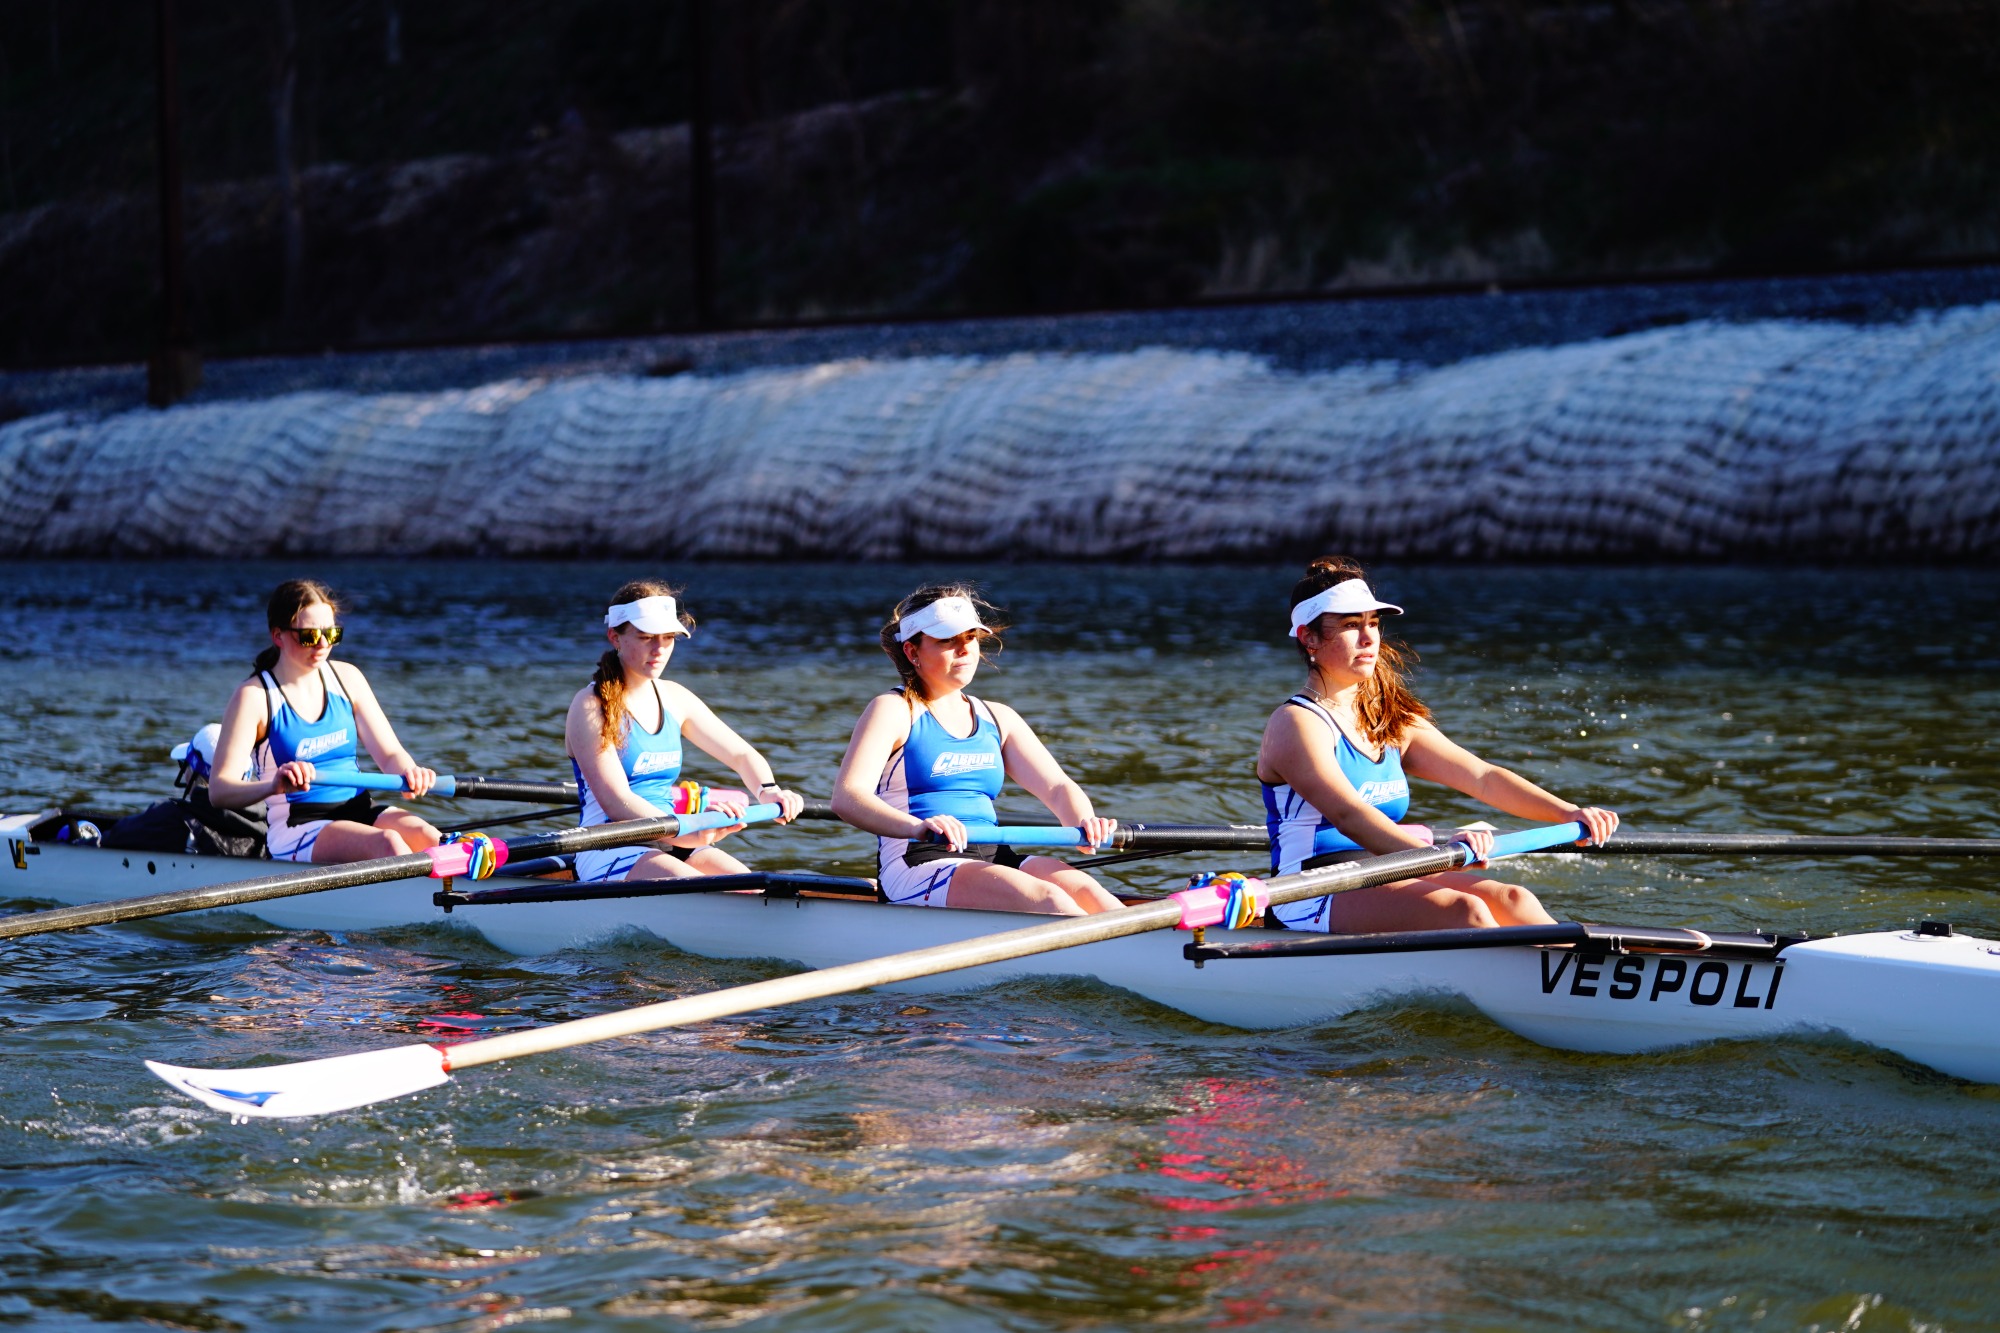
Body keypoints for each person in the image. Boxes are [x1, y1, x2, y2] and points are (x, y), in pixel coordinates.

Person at [1256, 557, 1619, 932]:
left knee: (1514, 899)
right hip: (1308, 891)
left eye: (1373, 624)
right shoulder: (1297, 723)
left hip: (1386, 869)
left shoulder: (1388, 718)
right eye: (1351, 625)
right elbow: (1350, 817)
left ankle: (1578, 961)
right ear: (1309, 637)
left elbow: (1482, 778)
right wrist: (1440, 858)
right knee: (1465, 911)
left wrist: (1568, 813)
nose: (1368, 638)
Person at [832, 584, 1126, 917]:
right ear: (913, 652)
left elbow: (1057, 787)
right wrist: (916, 827)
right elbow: (847, 797)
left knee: (1090, 893)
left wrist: (1084, 824)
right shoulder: (894, 709)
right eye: (947, 640)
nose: (964, 649)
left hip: (994, 855)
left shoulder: (998, 717)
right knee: (1048, 899)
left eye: (970, 637)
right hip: (920, 859)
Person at [563, 580, 805, 883]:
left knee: (754, 889)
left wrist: (768, 790)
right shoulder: (590, 705)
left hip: (673, 835)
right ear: (615, 637)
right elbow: (616, 801)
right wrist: (690, 832)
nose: (659, 649)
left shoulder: (675, 697)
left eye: (668, 638)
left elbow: (741, 755)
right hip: (610, 843)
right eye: (646, 637)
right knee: (703, 892)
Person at [209, 580, 442, 864]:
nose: (322, 644)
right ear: (278, 635)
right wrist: (274, 785)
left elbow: (390, 754)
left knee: (432, 839)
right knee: (389, 843)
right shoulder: (254, 697)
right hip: (297, 827)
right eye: (309, 636)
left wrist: (410, 773)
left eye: (331, 634)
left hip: (358, 808)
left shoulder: (348, 678)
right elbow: (220, 791)